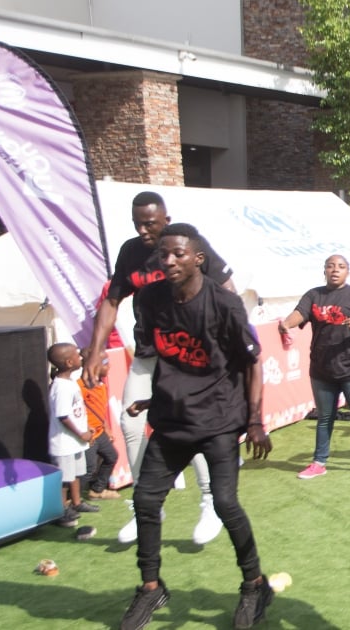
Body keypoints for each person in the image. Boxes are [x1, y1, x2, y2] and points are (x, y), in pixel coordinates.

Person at [119, 223, 274, 630]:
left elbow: (252, 362)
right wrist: (153, 397)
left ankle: (255, 585)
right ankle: (151, 588)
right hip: (170, 421)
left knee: (225, 503)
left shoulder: (224, 304)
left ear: (198, 259)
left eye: (178, 254)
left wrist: (255, 421)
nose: (168, 261)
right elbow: (167, 360)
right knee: (146, 501)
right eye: (164, 254)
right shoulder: (150, 299)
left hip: (219, 421)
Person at [82, 191, 232, 546]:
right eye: (137, 224)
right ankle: (145, 506)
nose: (143, 230)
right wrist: (94, 350)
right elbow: (112, 300)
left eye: (149, 223)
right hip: (150, 353)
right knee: (130, 422)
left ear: (166, 219)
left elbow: (227, 290)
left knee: (192, 427)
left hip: (192, 353)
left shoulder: (188, 244)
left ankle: (210, 503)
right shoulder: (131, 253)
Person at [280, 255, 350, 480]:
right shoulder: (313, 295)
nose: (335, 270)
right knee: (325, 417)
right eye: (330, 266)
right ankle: (319, 463)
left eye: (340, 267)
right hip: (322, 369)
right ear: (324, 271)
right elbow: (300, 313)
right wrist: (286, 324)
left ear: (348, 271)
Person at [48, 343, 97, 528]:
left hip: (74, 441)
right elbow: (63, 416)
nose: (81, 357)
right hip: (64, 442)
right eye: (77, 355)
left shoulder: (70, 383)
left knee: (75, 474)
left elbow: (75, 411)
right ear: (69, 362)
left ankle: (77, 503)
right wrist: (81, 433)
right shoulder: (61, 387)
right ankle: (60, 510)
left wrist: (86, 428)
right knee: (64, 478)